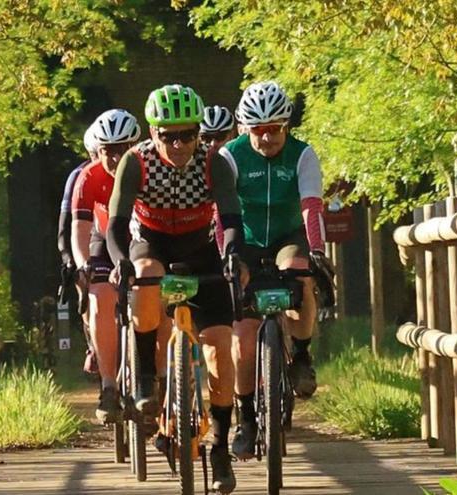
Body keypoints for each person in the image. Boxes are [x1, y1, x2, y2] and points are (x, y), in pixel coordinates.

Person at [107, 84, 244, 493]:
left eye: (189, 134)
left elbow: (233, 219)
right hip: (152, 240)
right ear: (153, 134)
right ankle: (148, 375)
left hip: (200, 248)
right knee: (147, 272)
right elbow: (115, 225)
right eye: (169, 136)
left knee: (220, 346)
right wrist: (121, 262)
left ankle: (219, 445)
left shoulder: (214, 162)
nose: (180, 144)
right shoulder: (135, 162)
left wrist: (233, 254)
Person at [218, 81, 334, 460]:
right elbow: (220, 213)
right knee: (243, 334)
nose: (267, 138)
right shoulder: (230, 157)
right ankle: (246, 419)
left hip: (288, 234)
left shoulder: (302, 155)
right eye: (258, 130)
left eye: (275, 129)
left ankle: (301, 355)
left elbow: (311, 205)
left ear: (287, 126)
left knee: (299, 272)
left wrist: (316, 249)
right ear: (243, 128)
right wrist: (227, 256)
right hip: (247, 240)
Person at [71, 109, 141, 423]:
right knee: (100, 296)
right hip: (103, 239)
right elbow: (79, 229)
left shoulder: (147, 167)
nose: (114, 158)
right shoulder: (89, 176)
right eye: (107, 151)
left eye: (122, 149)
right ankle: (109, 386)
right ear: (98, 151)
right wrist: (83, 264)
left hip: (141, 238)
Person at [58, 124, 101, 374]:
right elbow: (66, 224)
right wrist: (68, 260)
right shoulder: (79, 176)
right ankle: (94, 344)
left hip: (120, 238)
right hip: (87, 237)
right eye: (96, 155)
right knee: (84, 281)